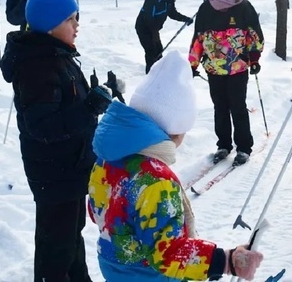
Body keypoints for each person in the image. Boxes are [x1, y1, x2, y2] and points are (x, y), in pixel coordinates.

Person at [87, 51, 264, 282]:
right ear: (176, 130)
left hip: (114, 266)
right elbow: (168, 254)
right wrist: (227, 260)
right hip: (148, 276)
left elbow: (96, 210)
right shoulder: (157, 181)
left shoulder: (109, 157)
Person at [0, 0, 116, 281]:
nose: (77, 25)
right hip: (55, 172)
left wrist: (98, 93)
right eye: (70, 20)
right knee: (56, 245)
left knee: (71, 235)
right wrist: (89, 107)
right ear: (50, 25)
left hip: (70, 167)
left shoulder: (56, 55)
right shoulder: (37, 66)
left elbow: (69, 103)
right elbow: (43, 126)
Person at [189, 0, 264, 166]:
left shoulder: (243, 6)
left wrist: (254, 58)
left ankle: (244, 147)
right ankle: (223, 144)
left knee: (238, 106)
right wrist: (193, 62)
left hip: (238, 66)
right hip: (214, 68)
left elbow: (254, 34)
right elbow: (198, 38)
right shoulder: (206, 8)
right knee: (220, 107)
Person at [135, 0, 193, 73]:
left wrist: (185, 19)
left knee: (159, 51)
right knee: (151, 52)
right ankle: (150, 76)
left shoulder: (169, 0)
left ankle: (159, 74)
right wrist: (153, 34)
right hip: (144, 28)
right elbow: (148, 18)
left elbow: (172, 14)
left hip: (154, 29)